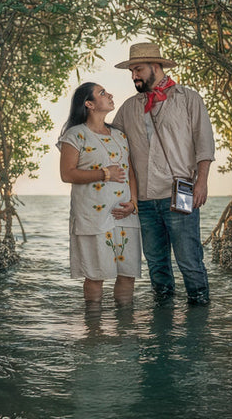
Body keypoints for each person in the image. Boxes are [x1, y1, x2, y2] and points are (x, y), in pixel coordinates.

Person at [111, 42, 215, 305]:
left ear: (155, 66)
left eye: (138, 69)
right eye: (131, 71)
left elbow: (204, 143)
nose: (134, 76)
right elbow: (111, 143)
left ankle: (200, 317)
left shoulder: (189, 98)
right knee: (156, 264)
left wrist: (201, 182)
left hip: (181, 191)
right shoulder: (128, 107)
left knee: (189, 260)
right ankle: (162, 320)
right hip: (144, 200)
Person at [58, 82, 142, 305]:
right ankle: (93, 324)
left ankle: (125, 323)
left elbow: (130, 172)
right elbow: (67, 174)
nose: (110, 94)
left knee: (128, 274)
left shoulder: (120, 135)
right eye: (102, 93)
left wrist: (134, 202)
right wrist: (104, 174)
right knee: (96, 276)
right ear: (89, 104)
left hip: (125, 214)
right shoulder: (75, 135)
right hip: (93, 216)